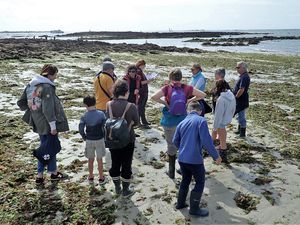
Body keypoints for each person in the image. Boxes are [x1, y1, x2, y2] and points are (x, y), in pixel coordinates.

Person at [17, 64, 69, 184]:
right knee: (48, 148)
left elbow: (21, 102)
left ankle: (51, 172)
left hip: (37, 121)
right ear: (50, 74)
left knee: (47, 147)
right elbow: (48, 109)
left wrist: (33, 110)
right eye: (55, 74)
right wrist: (53, 126)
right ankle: (42, 175)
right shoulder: (47, 87)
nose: (56, 77)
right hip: (47, 123)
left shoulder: (31, 85)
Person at [151, 69, 206, 179]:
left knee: (171, 146)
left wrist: (165, 103)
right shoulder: (187, 88)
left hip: (169, 122)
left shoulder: (167, 88)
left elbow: (153, 97)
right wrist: (189, 101)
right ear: (181, 77)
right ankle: (184, 171)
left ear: (170, 77)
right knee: (184, 145)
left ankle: (171, 173)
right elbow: (202, 95)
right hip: (184, 121)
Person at [173, 101, 222, 217]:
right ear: (200, 111)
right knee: (200, 182)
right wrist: (216, 156)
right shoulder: (201, 120)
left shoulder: (182, 122)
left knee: (185, 179)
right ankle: (194, 209)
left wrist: (184, 149)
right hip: (195, 159)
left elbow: (175, 141)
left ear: (187, 110)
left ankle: (180, 204)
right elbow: (207, 141)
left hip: (182, 158)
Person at [107, 80, 139, 197]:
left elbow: (107, 120)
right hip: (128, 139)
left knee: (115, 163)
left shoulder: (109, 104)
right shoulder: (131, 106)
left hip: (112, 138)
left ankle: (117, 187)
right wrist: (129, 124)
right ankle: (126, 190)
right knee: (126, 164)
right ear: (126, 92)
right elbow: (137, 122)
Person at [79, 95, 107, 184]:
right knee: (100, 159)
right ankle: (101, 177)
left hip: (89, 140)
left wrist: (84, 136)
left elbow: (80, 128)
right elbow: (105, 126)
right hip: (99, 139)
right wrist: (105, 137)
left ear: (85, 105)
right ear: (95, 103)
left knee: (90, 159)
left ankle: (91, 176)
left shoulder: (84, 115)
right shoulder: (101, 114)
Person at [212, 80, 236, 163]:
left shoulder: (221, 99)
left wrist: (214, 128)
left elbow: (218, 115)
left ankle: (223, 156)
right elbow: (234, 108)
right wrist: (230, 117)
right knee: (223, 135)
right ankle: (220, 147)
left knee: (222, 139)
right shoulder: (231, 95)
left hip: (221, 121)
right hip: (228, 118)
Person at [211, 68, 231, 143]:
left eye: (215, 74)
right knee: (219, 126)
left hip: (221, 109)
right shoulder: (218, 83)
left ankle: (216, 140)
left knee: (217, 126)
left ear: (219, 75)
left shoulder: (224, 84)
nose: (214, 76)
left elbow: (226, 97)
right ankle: (219, 139)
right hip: (216, 107)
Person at [233, 61, 251, 137]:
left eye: (238, 67)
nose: (236, 69)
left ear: (243, 68)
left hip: (241, 100)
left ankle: (242, 133)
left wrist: (236, 97)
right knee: (239, 116)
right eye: (236, 67)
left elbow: (241, 89)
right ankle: (239, 130)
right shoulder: (242, 76)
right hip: (240, 99)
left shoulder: (245, 77)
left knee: (241, 116)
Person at [136, 59, 151, 127]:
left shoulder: (139, 71)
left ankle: (143, 121)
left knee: (142, 107)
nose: (144, 67)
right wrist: (148, 81)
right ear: (141, 65)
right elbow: (140, 82)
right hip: (142, 91)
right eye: (144, 65)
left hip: (143, 91)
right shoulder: (138, 71)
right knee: (141, 107)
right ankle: (139, 121)